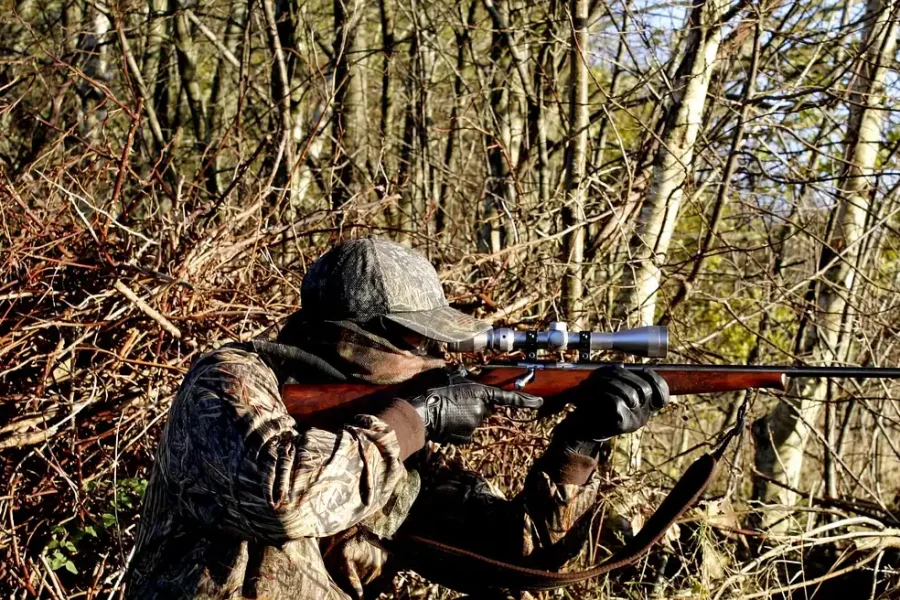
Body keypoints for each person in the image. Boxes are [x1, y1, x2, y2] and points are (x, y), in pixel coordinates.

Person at [125, 237, 669, 599]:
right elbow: (283, 501)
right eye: (419, 339)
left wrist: (580, 445)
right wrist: (417, 418)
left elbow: (520, 556)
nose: (436, 355)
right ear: (356, 335)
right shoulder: (229, 383)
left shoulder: (390, 442)